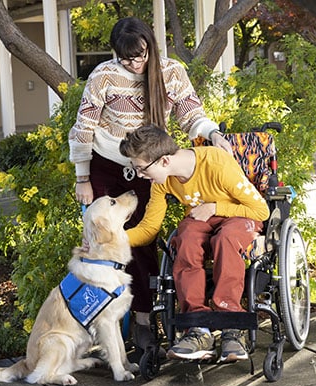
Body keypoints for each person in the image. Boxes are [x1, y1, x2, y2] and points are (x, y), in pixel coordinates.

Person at [68, 16, 233, 353]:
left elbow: (191, 113)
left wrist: (212, 133)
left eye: (141, 55)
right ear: (116, 54)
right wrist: (82, 177)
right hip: (107, 167)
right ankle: (110, 329)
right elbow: (84, 127)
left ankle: (145, 321)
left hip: (148, 168)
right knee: (102, 246)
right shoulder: (104, 76)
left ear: (150, 46)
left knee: (143, 245)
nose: (135, 63)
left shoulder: (171, 72)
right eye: (127, 58)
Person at [119, 125, 270, 362]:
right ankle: (198, 329)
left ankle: (232, 328)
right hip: (201, 219)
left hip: (240, 216)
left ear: (165, 161)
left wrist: (215, 207)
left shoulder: (216, 163)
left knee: (225, 238)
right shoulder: (162, 181)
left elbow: (260, 210)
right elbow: (149, 229)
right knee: (186, 238)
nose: (139, 175)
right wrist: (110, 240)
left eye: (141, 169)